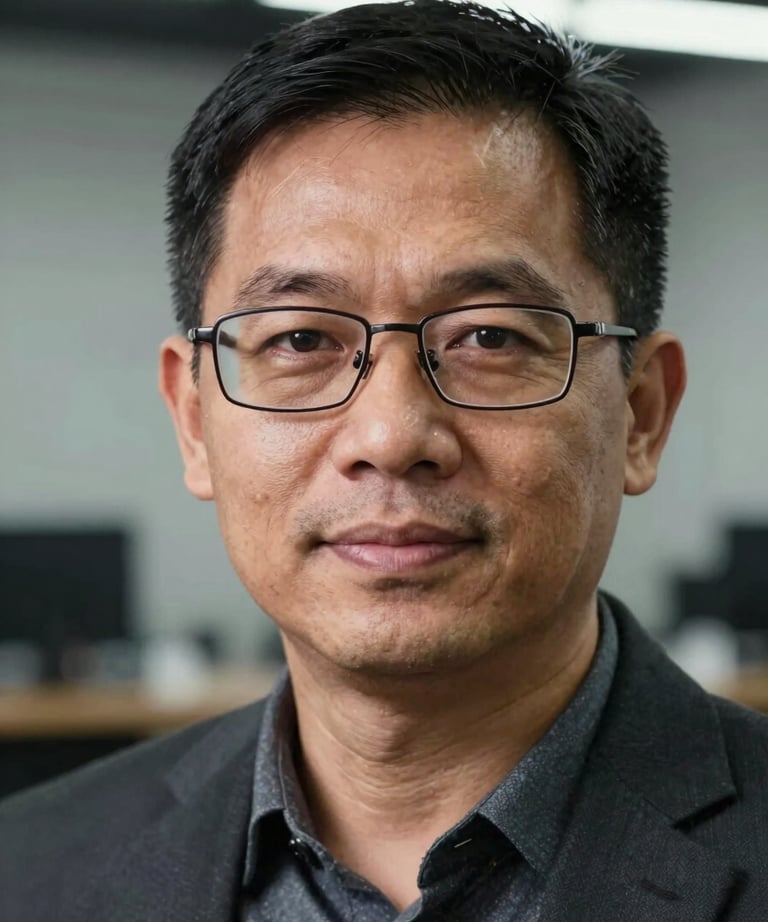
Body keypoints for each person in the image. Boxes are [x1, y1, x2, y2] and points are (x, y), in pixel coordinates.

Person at [2, 1, 767, 919]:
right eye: (297, 341)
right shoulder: (32, 867)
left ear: (642, 413)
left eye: (489, 334)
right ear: (194, 421)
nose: (391, 436)